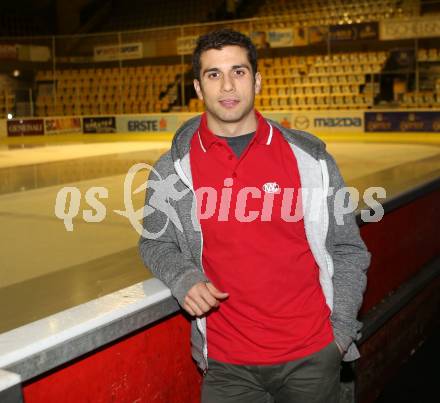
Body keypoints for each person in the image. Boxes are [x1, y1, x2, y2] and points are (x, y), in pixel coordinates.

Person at [139, 29, 371, 403]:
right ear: (198, 88)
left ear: (257, 80)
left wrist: (339, 335)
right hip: (227, 369)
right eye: (214, 74)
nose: (227, 86)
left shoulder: (310, 160)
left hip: (312, 359)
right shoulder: (171, 170)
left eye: (239, 72)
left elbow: (348, 249)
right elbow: (155, 243)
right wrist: (182, 277)